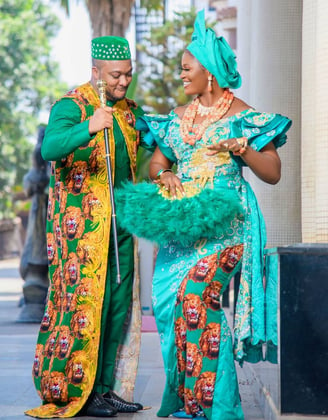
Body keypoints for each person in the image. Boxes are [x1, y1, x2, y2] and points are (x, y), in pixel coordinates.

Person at [115, 10, 292, 420]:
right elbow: (156, 165)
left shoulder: (244, 116)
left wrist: (243, 149)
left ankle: (220, 405)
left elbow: (274, 173)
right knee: (174, 307)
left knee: (198, 296)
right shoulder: (177, 118)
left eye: (186, 68)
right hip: (183, 226)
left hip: (228, 225)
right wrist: (168, 174)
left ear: (209, 72)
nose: (181, 75)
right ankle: (192, 402)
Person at [25, 36, 152, 418]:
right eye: (116, 75)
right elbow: (51, 148)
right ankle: (79, 389)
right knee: (85, 309)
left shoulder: (131, 111)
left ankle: (106, 388)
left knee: (117, 309)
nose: (123, 82)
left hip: (121, 230)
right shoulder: (72, 105)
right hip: (80, 235)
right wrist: (90, 127)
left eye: (128, 74)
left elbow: (150, 150)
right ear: (95, 72)